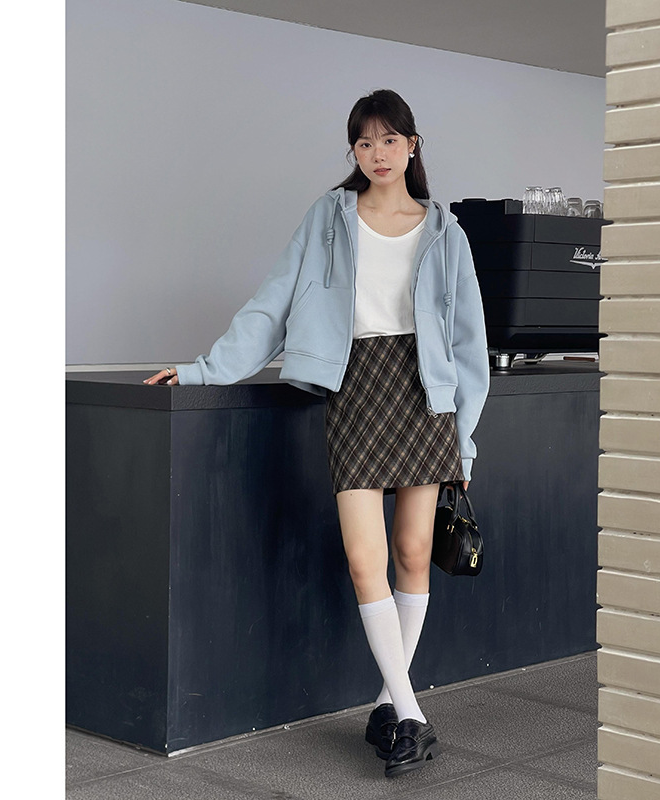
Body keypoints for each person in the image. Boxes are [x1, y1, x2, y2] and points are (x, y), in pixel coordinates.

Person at [144, 88, 490, 778]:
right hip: (357, 388)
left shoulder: (445, 230)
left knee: (413, 552)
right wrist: (205, 368)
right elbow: (273, 301)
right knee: (365, 560)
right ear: (354, 151)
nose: (377, 153)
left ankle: (390, 706)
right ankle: (412, 716)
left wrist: (466, 439)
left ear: (412, 146)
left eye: (389, 139)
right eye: (364, 142)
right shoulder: (329, 218)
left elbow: (468, 342)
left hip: (426, 396)